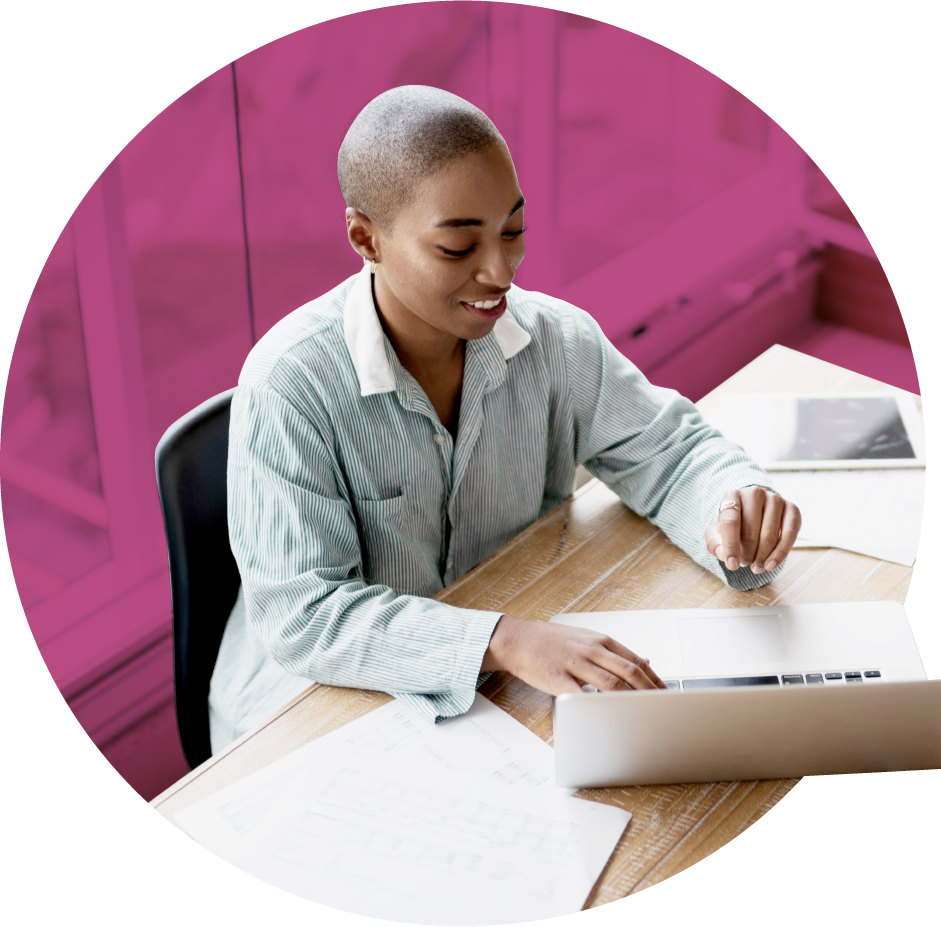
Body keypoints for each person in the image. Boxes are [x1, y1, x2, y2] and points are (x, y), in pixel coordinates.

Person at [208, 86, 801, 753]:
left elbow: (671, 451)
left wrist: (731, 506)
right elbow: (307, 617)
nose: (500, 271)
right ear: (364, 237)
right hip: (313, 706)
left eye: (512, 232)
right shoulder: (288, 387)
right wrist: (500, 639)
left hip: (503, 671)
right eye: (458, 249)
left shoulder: (554, 340)